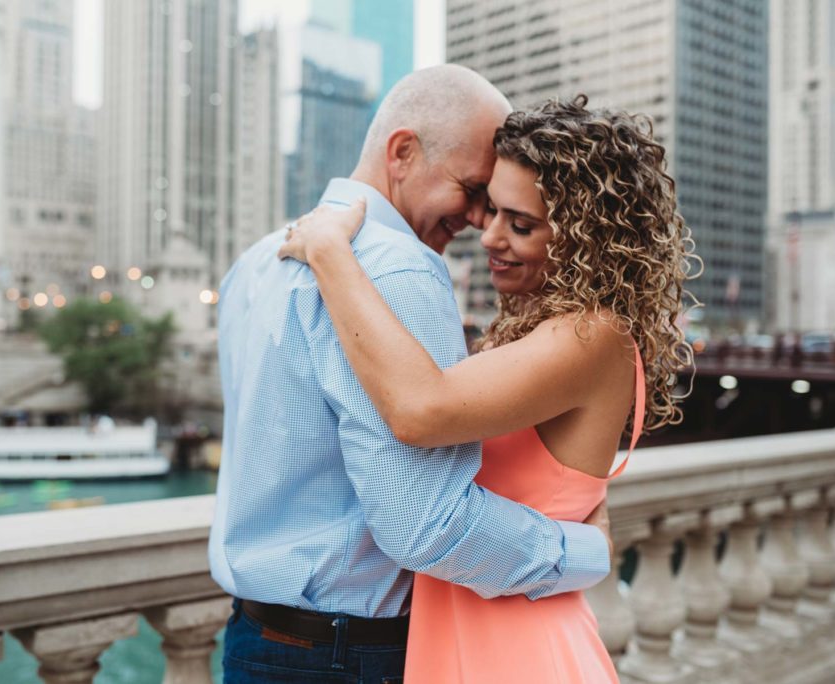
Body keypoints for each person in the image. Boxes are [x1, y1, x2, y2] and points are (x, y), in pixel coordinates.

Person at [210, 67, 614, 683]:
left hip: (250, 638)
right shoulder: (403, 270)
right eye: (473, 189)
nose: (482, 221)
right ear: (403, 152)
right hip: (349, 654)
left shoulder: (258, 259)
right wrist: (581, 551)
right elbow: (425, 524)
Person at [278, 94, 696, 682]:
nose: (490, 236)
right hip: (469, 639)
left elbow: (421, 408)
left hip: (518, 653)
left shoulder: (593, 334)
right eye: (492, 210)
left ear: (587, 240)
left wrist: (329, 252)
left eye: (520, 224)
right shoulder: (545, 330)